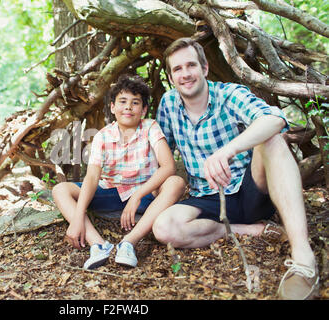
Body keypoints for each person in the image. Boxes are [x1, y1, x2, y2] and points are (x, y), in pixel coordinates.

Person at [153, 38, 318, 300]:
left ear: (205, 68)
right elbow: (161, 157)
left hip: (249, 189)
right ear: (171, 76)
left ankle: (303, 259)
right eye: (177, 69)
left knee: (273, 138)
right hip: (207, 197)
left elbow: (275, 118)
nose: (185, 74)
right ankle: (249, 230)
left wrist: (228, 151)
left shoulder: (228, 94)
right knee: (163, 228)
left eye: (191, 65)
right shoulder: (168, 105)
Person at [53, 74, 185, 270]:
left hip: (146, 193)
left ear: (144, 109)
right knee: (59, 190)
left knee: (176, 182)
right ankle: (98, 245)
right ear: (113, 107)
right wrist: (78, 217)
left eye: (135, 103)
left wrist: (137, 195)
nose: (128, 107)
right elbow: (91, 177)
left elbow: (168, 166)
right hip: (110, 192)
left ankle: (128, 242)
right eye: (122, 101)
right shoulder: (102, 136)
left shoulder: (150, 127)